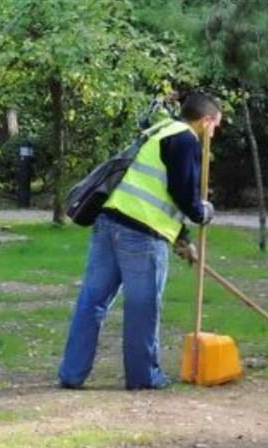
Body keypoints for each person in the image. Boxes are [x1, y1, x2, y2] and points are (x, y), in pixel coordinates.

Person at [58, 92, 220, 390]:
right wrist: (202, 213)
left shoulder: (160, 130)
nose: (214, 133)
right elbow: (183, 194)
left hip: (109, 222)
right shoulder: (185, 139)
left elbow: (158, 190)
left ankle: (71, 374)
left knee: (92, 301)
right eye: (215, 126)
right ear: (206, 120)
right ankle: (144, 377)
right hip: (142, 235)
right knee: (142, 307)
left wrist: (181, 238)